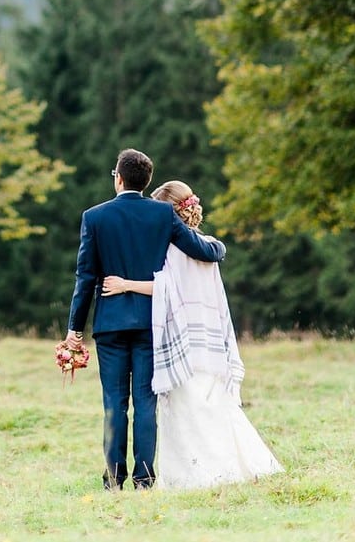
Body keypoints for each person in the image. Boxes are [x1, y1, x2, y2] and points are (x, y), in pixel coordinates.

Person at [101, 179, 283, 489]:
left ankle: (198, 475)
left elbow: (168, 288)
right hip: (209, 340)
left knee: (188, 411)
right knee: (212, 408)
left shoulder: (173, 248)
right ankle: (235, 467)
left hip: (183, 339)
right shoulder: (207, 244)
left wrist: (125, 285)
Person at [63, 148, 226, 490]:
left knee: (114, 404)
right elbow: (203, 250)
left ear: (119, 178)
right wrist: (220, 248)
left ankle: (113, 478)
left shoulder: (94, 217)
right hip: (152, 323)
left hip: (109, 325)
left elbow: (85, 278)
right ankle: (145, 478)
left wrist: (74, 329)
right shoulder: (163, 214)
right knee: (145, 403)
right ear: (146, 181)